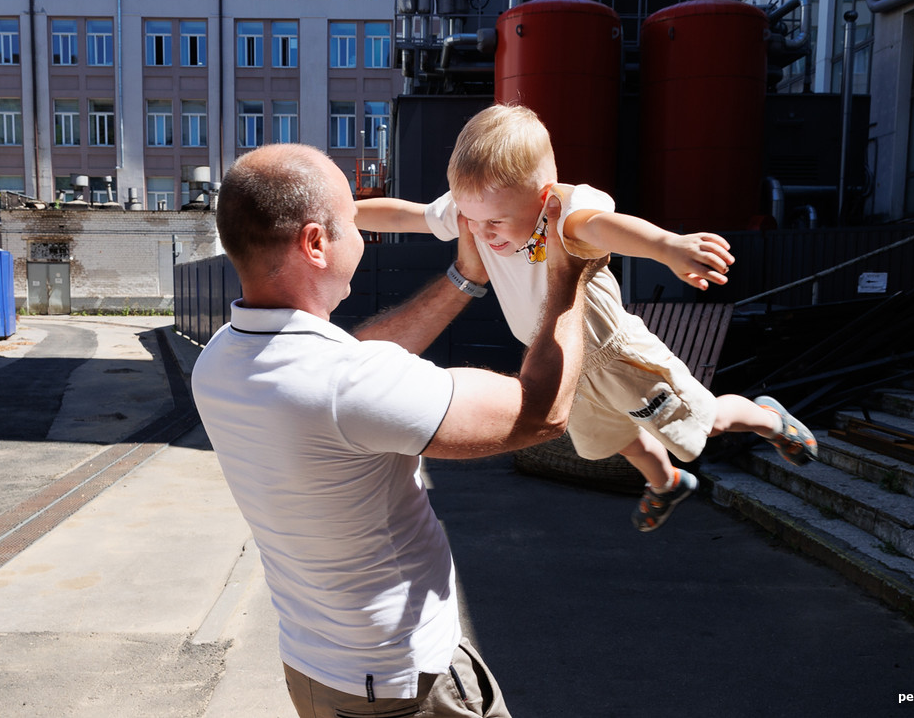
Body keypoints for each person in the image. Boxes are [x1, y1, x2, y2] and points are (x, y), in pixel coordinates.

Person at [191, 143, 604, 717]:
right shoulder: (345, 386)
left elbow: (352, 370)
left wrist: (464, 277)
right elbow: (540, 412)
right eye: (354, 224)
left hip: (317, 668)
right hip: (403, 683)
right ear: (315, 243)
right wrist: (569, 274)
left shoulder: (220, 361)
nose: (364, 237)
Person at [356, 103, 818, 533]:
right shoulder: (473, 210)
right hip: (563, 360)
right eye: (471, 218)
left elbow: (604, 228)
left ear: (541, 198)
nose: (480, 232)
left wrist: (666, 246)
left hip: (618, 354)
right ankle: (666, 483)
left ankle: (764, 418)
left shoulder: (563, 213)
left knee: (703, 421)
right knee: (611, 438)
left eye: (495, 221)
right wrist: (344, 213)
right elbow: (407, 215)